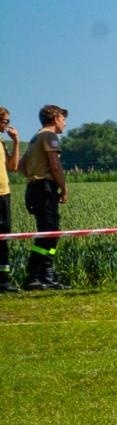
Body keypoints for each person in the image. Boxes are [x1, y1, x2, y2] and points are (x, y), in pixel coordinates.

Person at [21, 104, 69, 290]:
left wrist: (32, 178)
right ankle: (35, 275)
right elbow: (55, 165)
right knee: (49, 234)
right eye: (63, 119)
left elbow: (22, 164)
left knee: (47, 233)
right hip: (45, 189)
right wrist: (64, 188)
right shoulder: (49, 136)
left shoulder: (35, 137)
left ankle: (44, 275)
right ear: (55, 118)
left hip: (34, 188)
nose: (65, 123)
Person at [0, 107, 20, 292]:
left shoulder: (1, 142)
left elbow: (13, 167)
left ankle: (3, 280)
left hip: (4, 194)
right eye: (5, 121)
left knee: (4, 237)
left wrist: (15, 142)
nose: (7, 125)